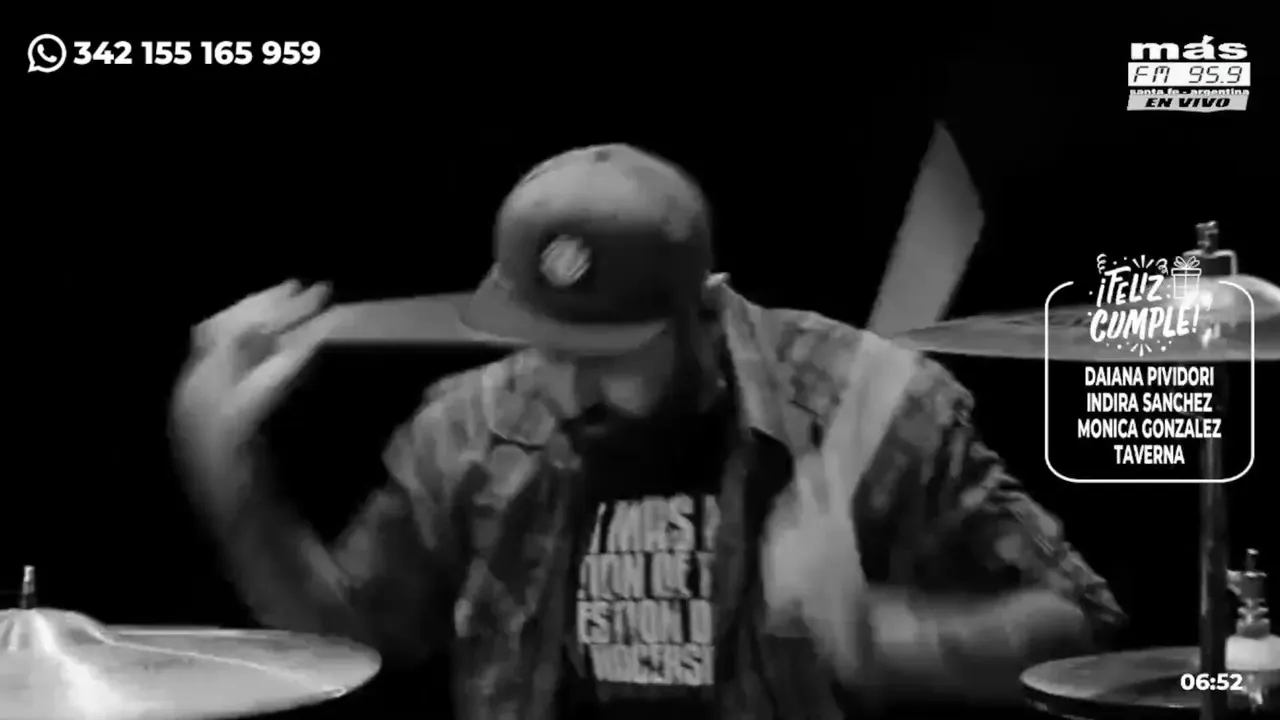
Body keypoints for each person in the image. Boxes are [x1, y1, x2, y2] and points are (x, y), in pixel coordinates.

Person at [170, 144, 1125, 719]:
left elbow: (1078, 630)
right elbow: (343, 642)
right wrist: (225, 461)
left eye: (608, 352)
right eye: (544, 342)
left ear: (705, 306)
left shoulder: (865, 404)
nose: (564, 379)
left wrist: (875, 633)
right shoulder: (469, 424)